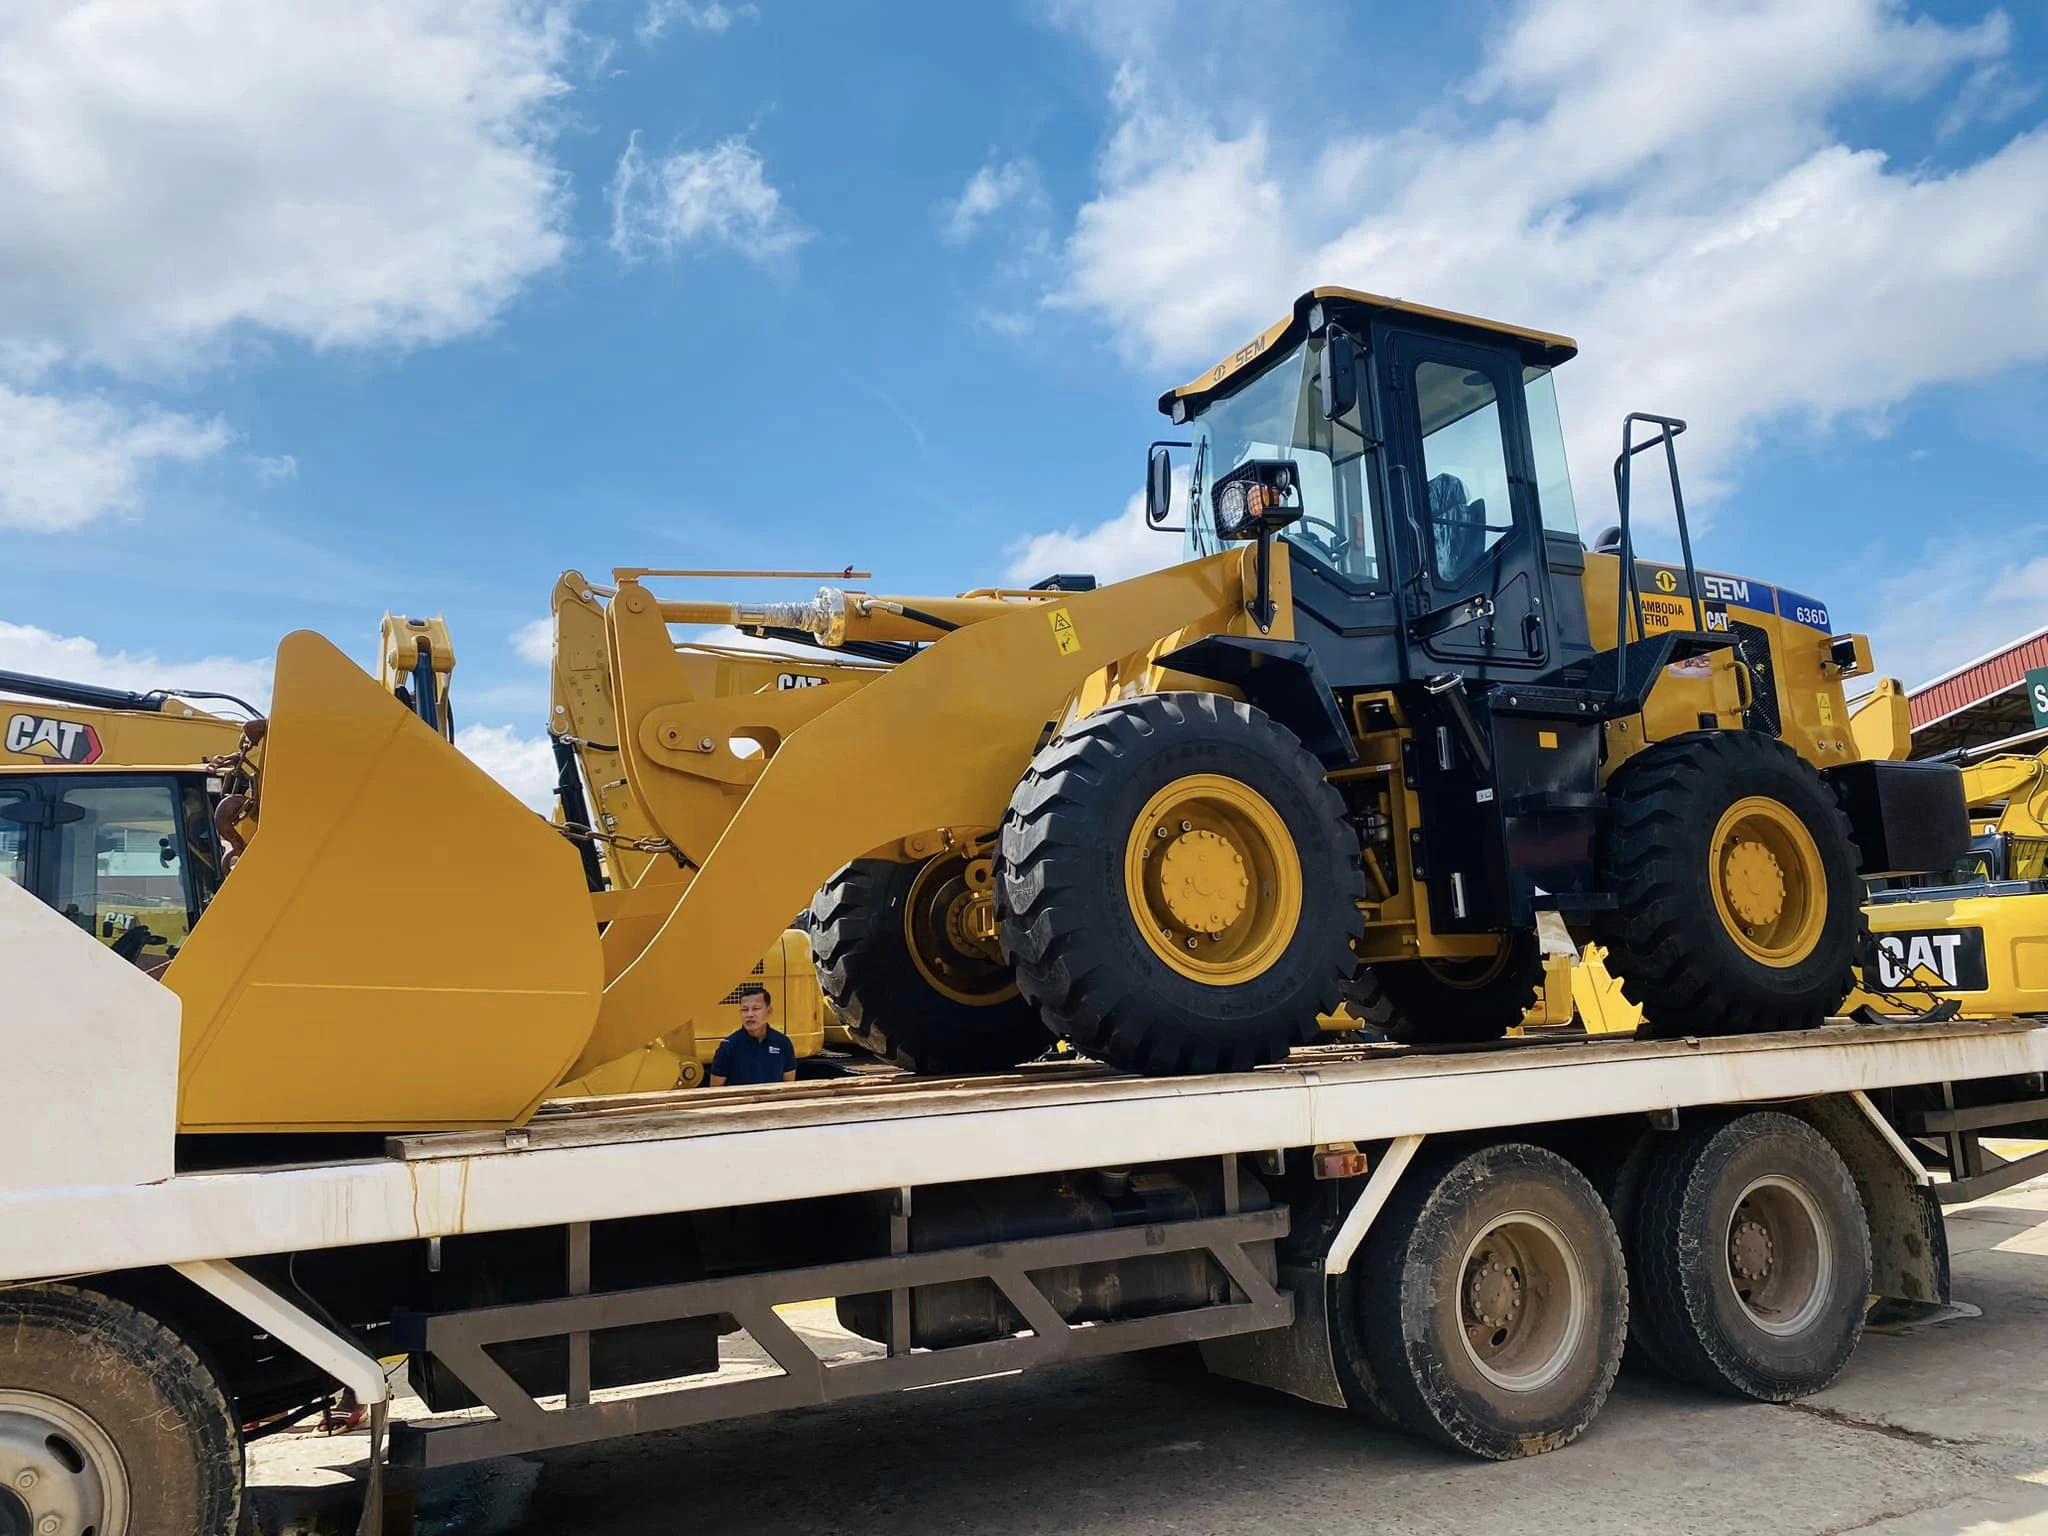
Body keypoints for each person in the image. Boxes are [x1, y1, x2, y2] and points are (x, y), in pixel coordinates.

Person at [709, 984, 796, 1086]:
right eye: (744, 1009)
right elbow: (716, 1088)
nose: (749, 1014)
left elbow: (789, 1085)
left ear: (769, 1011)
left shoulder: (783, 1043)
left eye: (756, 1008)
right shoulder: (728, 1046)